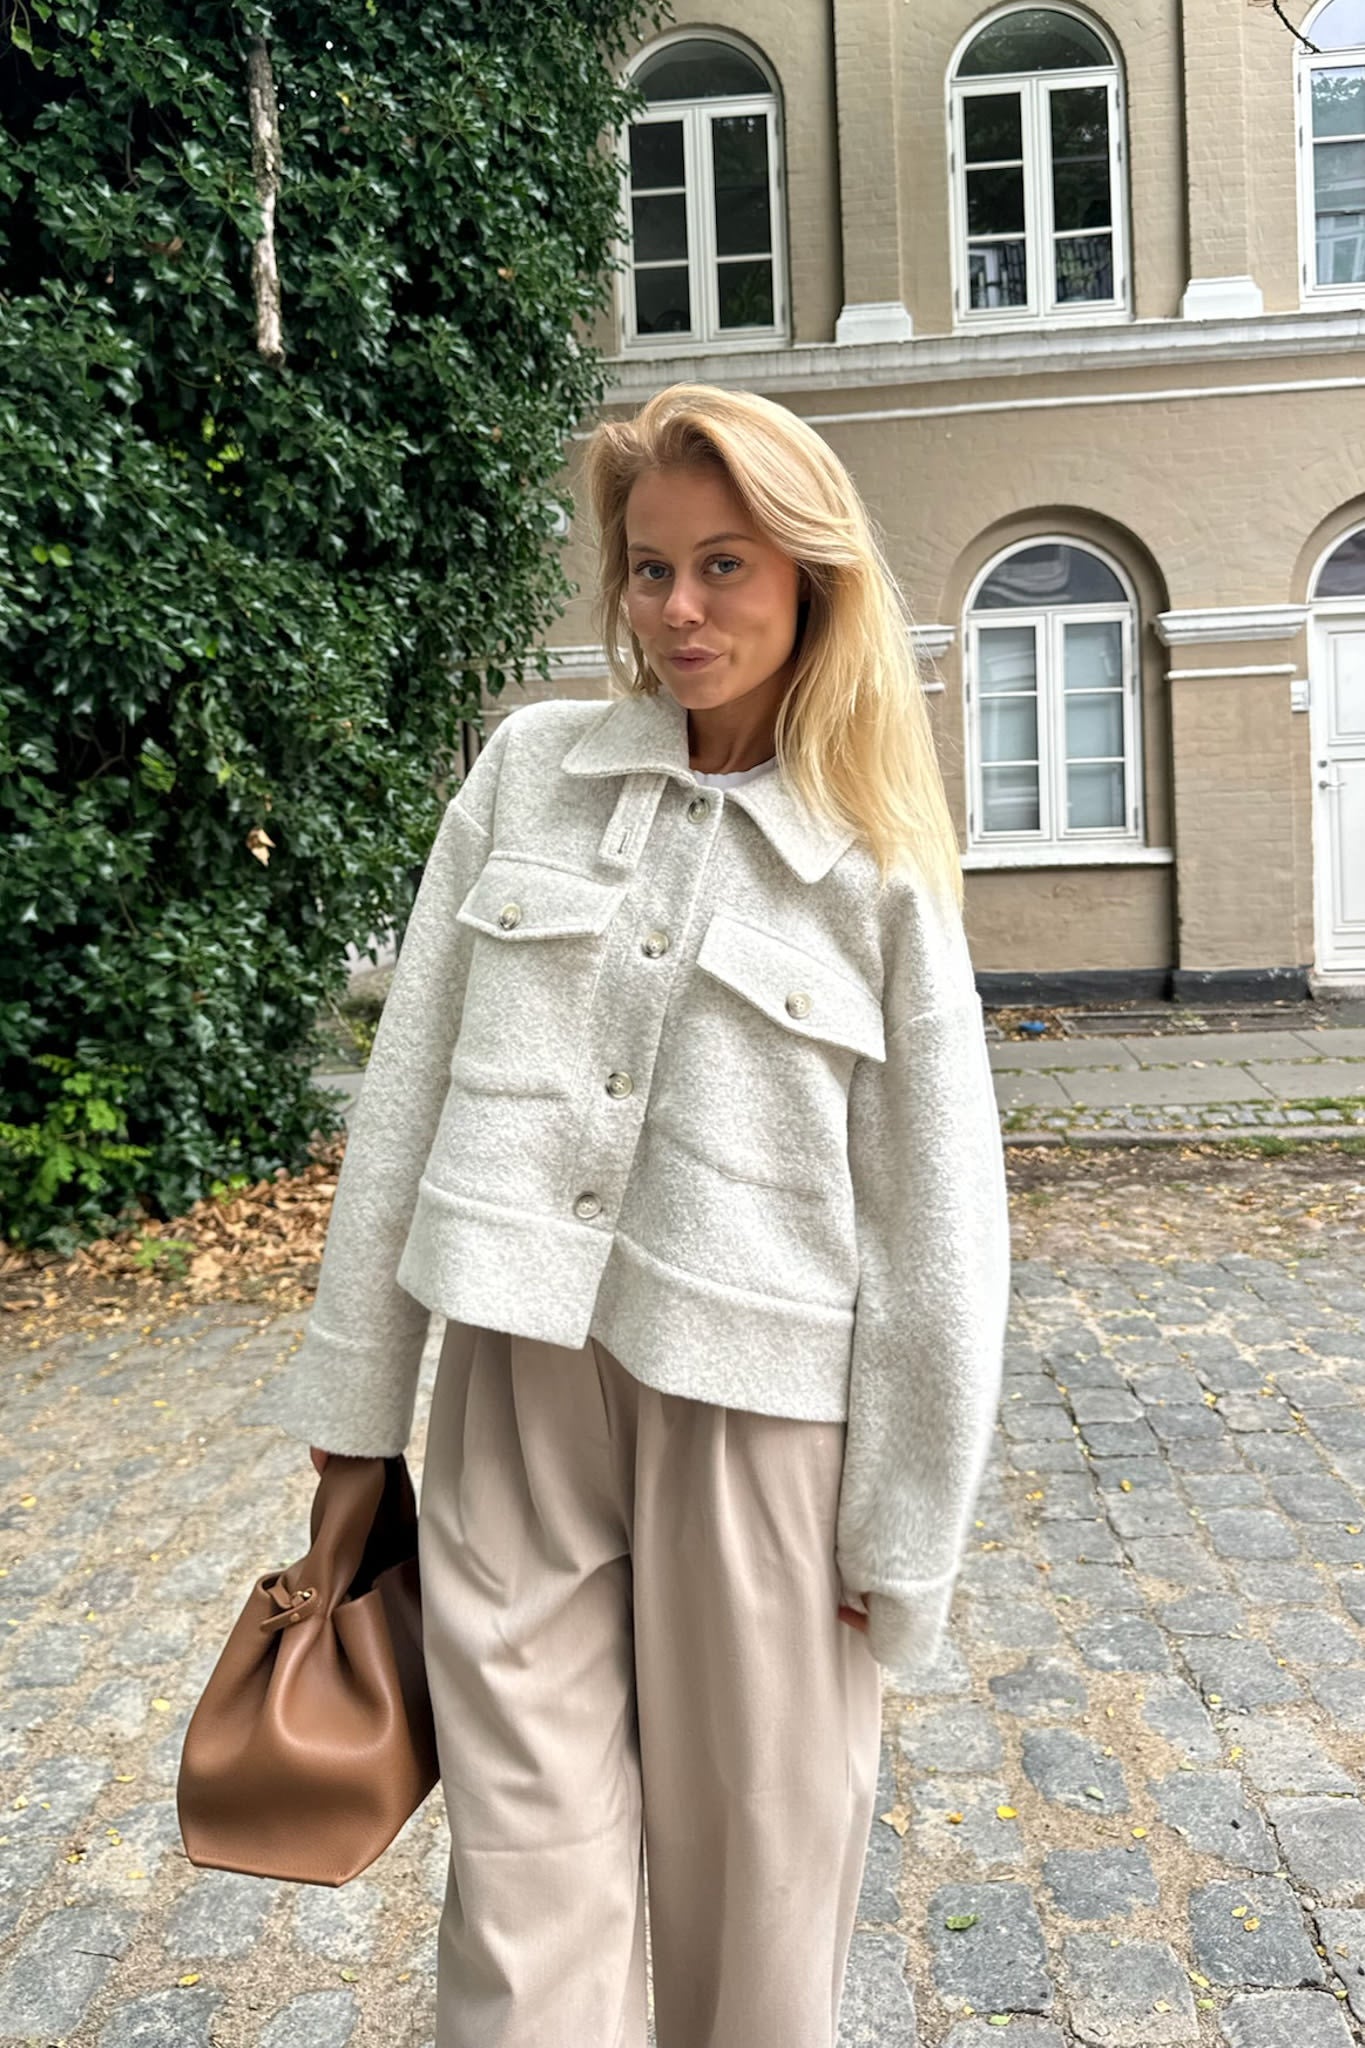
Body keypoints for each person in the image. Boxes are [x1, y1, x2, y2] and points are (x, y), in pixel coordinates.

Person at [273, 381, 1011, 2048]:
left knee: (759, 1889)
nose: (678, 608)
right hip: (514, 1397)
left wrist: (899, 1536)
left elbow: (936, 1227)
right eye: (649, 566)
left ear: (810, 578)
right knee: (522, 1887)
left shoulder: (874, 862)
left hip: (759, 1428)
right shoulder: (526, 775)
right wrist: (355, 1405)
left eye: (724, 565)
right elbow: (406, 1089)